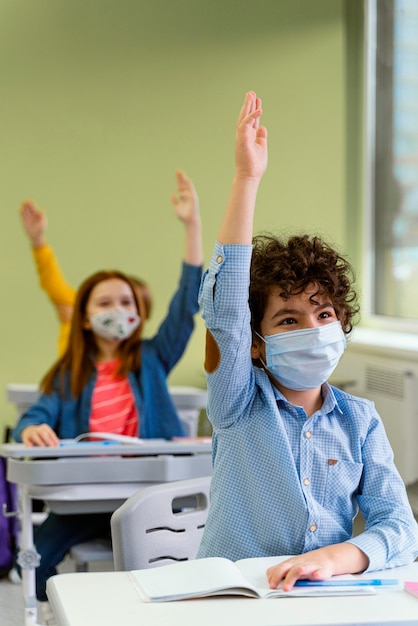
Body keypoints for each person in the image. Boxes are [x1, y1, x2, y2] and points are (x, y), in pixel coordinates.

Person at [196, 90, 418, 591]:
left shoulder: (359, 421)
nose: (314, 330)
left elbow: (401, 529)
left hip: (322, 597)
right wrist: (246, 179)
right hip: (233, 597)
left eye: (323, 314)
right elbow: (225, 309)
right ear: (257, 342)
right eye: (289, 320)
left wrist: (337, 558)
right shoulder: (238, 400)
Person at [12, 169, 203, 617]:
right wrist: (33, 427)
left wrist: (192, 226)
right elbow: (33, 417)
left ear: (139, 314)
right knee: (33, 569)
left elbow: (185, 300)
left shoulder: (153, 358)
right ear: (82, 317)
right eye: (104, 303)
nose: (118, 310)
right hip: (83, 499)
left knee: (172, 572)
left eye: (126, 302)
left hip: (147, 497)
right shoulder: (68, 375)